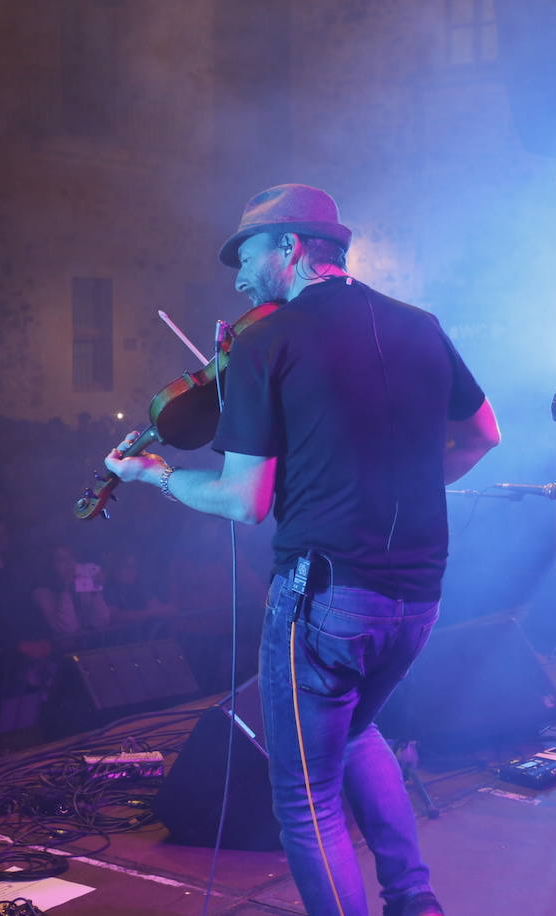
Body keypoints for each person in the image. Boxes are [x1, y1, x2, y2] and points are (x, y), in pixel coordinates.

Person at [104, 184, 499, 916]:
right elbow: (482, 435)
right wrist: (404, 491)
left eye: (247, 254)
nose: (239, 275)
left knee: (307, 802)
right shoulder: (421, 325)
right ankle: (415, 903)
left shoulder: (268, 340)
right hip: (419, 595)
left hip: (323, 596)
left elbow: (243, 502)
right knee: (355, 731)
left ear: (290, 246)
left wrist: (156, 476)